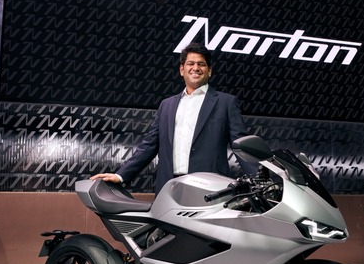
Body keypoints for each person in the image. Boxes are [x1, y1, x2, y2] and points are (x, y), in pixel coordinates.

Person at [91, 42, 256, 194]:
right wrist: (121, 175)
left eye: (201, 64)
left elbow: (240, 145)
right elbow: (149, 146)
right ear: (182, 70)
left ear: (209, 71)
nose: (196, 68)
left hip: (210, 188)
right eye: (190, 63)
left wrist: (259, 180)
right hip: (169, 187)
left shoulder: (226, 102)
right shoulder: (166, 105)